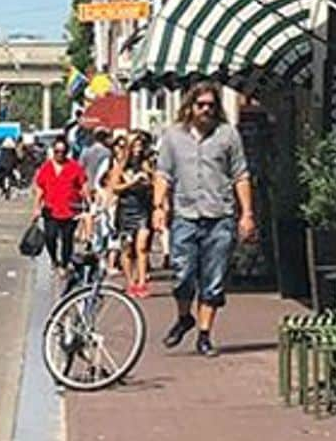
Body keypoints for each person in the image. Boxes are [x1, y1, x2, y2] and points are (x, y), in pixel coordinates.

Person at [155, 80, 254, 357]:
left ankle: (204, 335)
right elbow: (163, 173)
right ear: (190, 106)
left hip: (219, 215)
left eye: (211, 105)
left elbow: (241, 175)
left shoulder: (228, 135)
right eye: (201, 105)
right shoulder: (173, 136)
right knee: (182, 275)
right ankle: (184, 316)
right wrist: (158, 207)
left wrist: (247, 214)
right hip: (185, 215)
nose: (206, 110)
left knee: (213, 279)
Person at [108, 131, 156, 297]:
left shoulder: (146, 164)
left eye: (141, 146)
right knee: (127, 248)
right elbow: (114, 187)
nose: (138, 149)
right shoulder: (120, 166)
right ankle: (130, 282)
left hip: (143, 208)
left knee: (142, 246)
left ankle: (142, 282)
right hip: (126, 209)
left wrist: (149, 180)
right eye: (135, 146)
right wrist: (131, 183)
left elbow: (156, 182)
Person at [33, 138, 88, 272]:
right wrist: (36, 208)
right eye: (57, 151)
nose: (60, 155)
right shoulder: (46, 167)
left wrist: (88, 204)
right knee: (50, 236)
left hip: (70, 209)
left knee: (67, 239)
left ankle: (64, 263)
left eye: (62, 152)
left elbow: (83, 186)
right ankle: (54, 259)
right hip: (51, 209)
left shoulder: (74, 167)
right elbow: (40, 189)